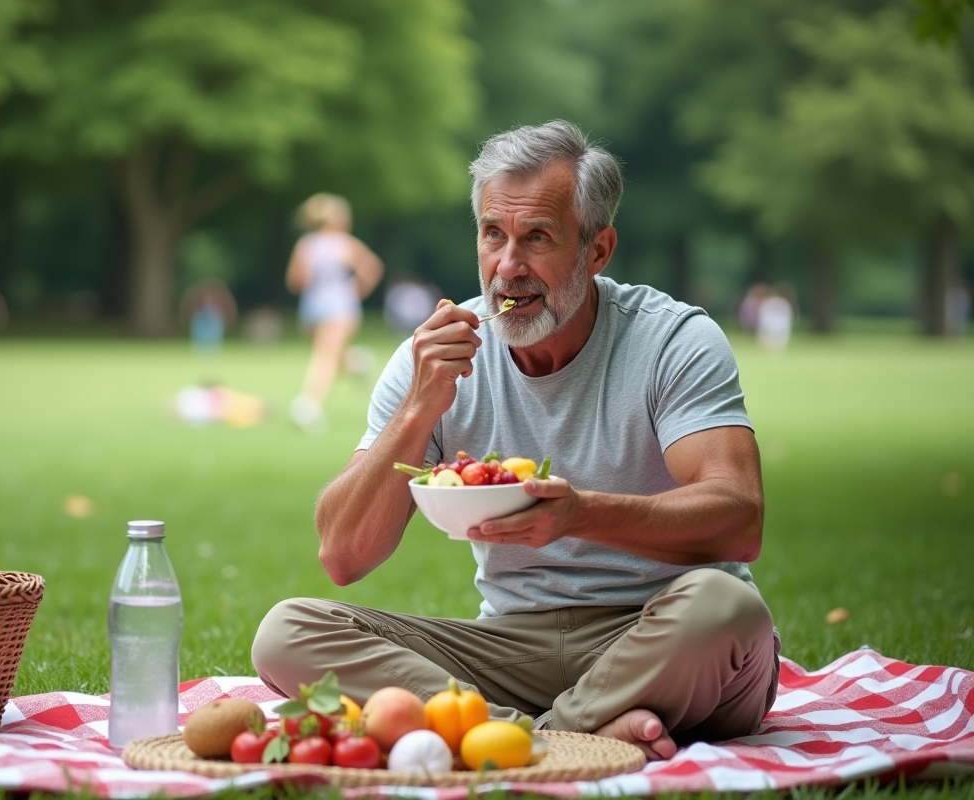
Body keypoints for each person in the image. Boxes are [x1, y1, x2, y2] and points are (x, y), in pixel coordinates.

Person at [252, 121, 777, 761]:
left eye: (538, 239)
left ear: (598, 250)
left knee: (727, 607)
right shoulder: (435, 356)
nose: (508, 266)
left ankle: (512, 736)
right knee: (288, 632)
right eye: (493, 234)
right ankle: (557, 735)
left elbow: (739, 518)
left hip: (662, 631)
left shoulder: (672, 340)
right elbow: (342, 554)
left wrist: (580, 514)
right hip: (512, 646)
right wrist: (418, 412)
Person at [285, 193, 384, 435]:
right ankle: (356, 364)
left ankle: (309, 406)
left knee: (324, 355)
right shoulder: (308, 245)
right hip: (313, 308)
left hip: (340, 308)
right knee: (329, 355)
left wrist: (353, 292)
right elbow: (295, 281)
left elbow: (371, 268)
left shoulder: (344, 244)